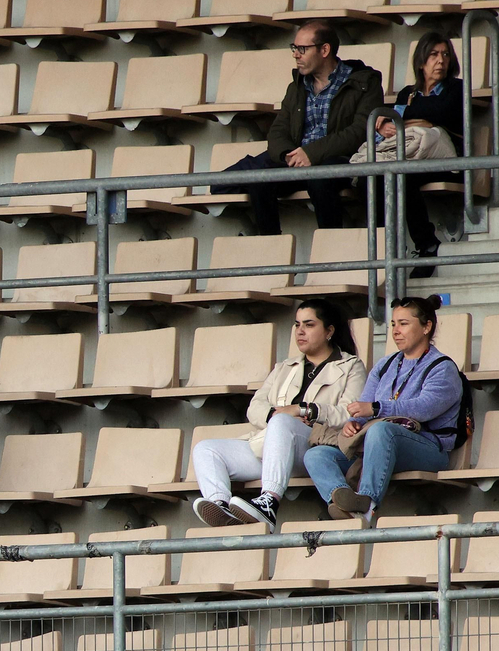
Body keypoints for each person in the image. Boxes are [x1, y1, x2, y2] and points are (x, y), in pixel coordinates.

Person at [192, 300, 367, 531]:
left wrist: (302, 410)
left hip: (315, 448)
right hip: (273, 447)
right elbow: (255, 407)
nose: (300, 331)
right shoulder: (285, 366)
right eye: (297, 325)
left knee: (283, 421)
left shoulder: (351, 366)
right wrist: (278, 415)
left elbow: (348, 412)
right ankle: (220, 505)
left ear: (329, 331)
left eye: (309, 324)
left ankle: (269, 502)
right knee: (206, 449)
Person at [304, 296, 464, 523]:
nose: (396, 331)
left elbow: (423, 408)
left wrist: (376, 408)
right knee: (316, 454)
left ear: (427, 326)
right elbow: (364, 406)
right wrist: (354, 423)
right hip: (377, 445)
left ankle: (367, 504)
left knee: (381, 431)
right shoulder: (385, 364)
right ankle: (343, 503)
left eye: (404, 323)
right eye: (393, 324)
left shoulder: (443, 368)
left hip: (428, 447)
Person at [220, 20, 384, 236]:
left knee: (320, 180)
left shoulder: (364, 82)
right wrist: (288, 156)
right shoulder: (297, 86)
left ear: (325, 50)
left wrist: (312, 153)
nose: (296, 54)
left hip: (343, 158)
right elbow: (278, 130)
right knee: (260, 180)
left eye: (302, 49)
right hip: (298, 160)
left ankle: (331, 249)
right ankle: (274, 255)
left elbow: (360, 131)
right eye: (294, 48)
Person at [378, 31, 464, 277]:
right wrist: (387, 125)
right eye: (434, 55)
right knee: (380, 176)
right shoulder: (407, 93)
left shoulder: (456, 88)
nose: (441, 60)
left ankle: (427, 243)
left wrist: (408, 118)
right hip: (413, 155)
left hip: (447, 159)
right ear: (420, 61)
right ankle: (388, 248)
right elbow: (395, 121)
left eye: (446, 54)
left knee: (404, 176)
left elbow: (443, 112)